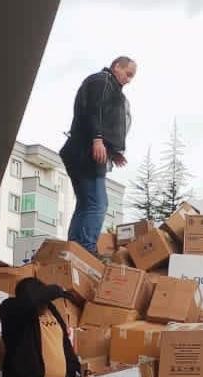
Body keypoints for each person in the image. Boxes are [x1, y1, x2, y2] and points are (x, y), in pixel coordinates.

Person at [60, 56, 136, 254]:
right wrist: (97, 139)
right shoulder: (102, 81)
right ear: (116, 66)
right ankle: (85, 248)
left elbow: (101, 115)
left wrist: (112, 151)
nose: (128, 80)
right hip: (85, 152)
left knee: (86, 203)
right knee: (97, 203)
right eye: (128, 74)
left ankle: (75, 247)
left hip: (82, 151)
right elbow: (94, 111)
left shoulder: (108, 86)